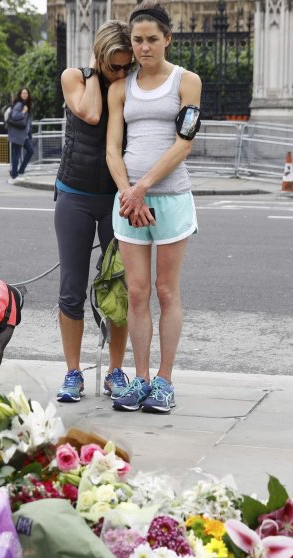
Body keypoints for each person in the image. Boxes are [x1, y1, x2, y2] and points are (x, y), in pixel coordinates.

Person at [104, 1, 201, 414]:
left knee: (166, 291)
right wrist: (129, 192)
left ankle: (165, 380)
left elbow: (185, 142)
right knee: (137, 293)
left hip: (171, 198)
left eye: (152, 40)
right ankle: (140, 378)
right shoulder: (120, 87)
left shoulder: (186, 81)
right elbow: (112, 148)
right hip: (129, 204)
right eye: (137, 40)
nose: (144, 48)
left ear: (167, 40)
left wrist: (143, 187)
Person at [53, 20, 134, 403]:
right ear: (99, 57)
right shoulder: (73, 77)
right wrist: (95, 74)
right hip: (75, 195)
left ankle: (116, 372)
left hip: (115, 199)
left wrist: (117, 80)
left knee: (118, 288)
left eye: (125, 66)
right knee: (71, 289)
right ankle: (73, 373)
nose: (121, 73)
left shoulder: (129, 84)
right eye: (113, 65)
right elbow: (89, 114)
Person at [6, 87, 34, 182]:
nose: (25, 95)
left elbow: (27, 121)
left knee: (30, 150)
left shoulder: (25, 104)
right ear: (20, 94)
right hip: (17, 134)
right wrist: (23, 112)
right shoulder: (19, 104)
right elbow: (14, 116)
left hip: (23, 134)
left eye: (26, 93)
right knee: (16, 154)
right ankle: (14, 175)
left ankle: (20, 171)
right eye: (23, 93)